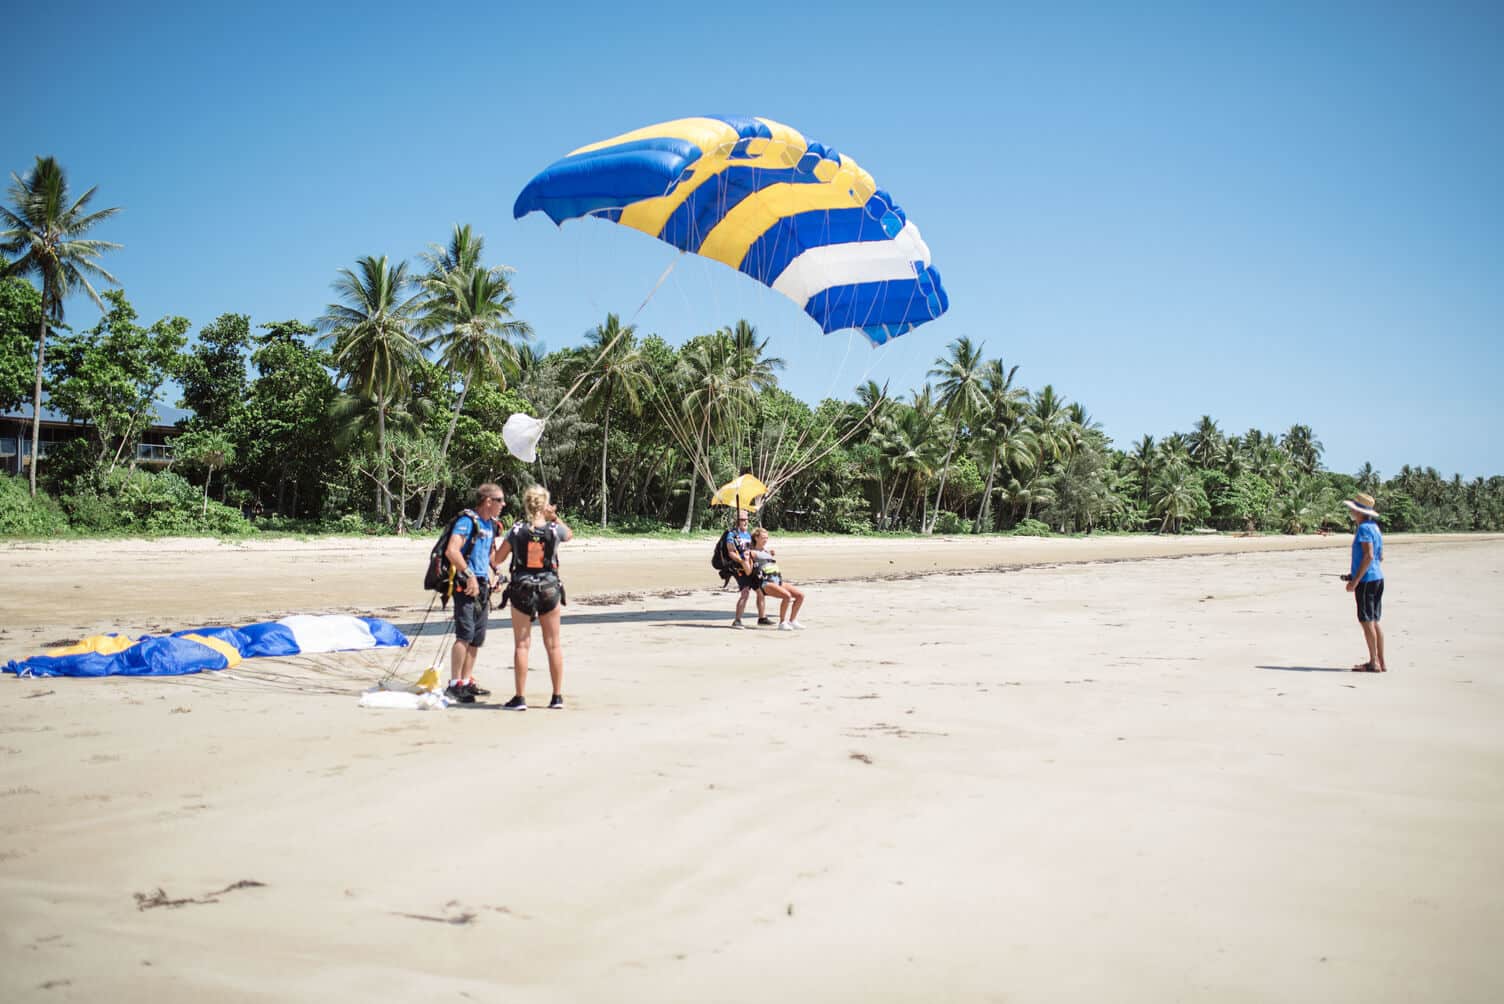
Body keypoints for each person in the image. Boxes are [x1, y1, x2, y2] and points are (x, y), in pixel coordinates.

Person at [495, 484, 573, 710]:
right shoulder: (554, 529)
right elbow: (568, 534)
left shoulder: (516, 530)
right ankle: (557, 696)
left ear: (526, 504)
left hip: (522, 587)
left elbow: (498, 559)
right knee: (554, 645)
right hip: (548, 587)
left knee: (522, 645)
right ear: (544, 505)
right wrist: (554, 517)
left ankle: (520, 697)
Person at [443, 484, 507, 704]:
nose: (503, 504)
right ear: (488, 501)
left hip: (482, 584)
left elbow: (490, 555)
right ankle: (454, 684)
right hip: (465, 583)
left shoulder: (491, 525)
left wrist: (496, 574)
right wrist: (469, 575)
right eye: (500, 500)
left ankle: (466, 681)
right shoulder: (467, 521)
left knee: (477, 637)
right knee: (465, 634)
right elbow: (452, 551)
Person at [1341, 492, 1386, 673]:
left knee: (1366, 621)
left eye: (1353, 509)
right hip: (1377, 578)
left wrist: (1355, 581)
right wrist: (1353, 574)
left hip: (1367, 581)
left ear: (1359, 512)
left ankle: (1373, 662)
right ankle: (1381, 661)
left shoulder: (1364, 529)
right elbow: (1379, 557)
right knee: (1373, 621)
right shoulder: (1375, 528)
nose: (1351, 511)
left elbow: (1369, 556)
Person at [746, 527, 805, 630]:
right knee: (787, 596)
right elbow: (748, 568)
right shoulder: (752, 552)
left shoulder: (766, 551)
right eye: (763, 538)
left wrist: (770, 554)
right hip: (766, 582)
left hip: (777, 580)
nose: (765, 540)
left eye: (767, 538)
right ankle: (782, 623)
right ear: (756, 538)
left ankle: (792, 621)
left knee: (800, 596)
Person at [722, 510, 769, 629]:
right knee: (745, 592)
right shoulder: (732, 535)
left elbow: (754, 549)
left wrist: (765, 552)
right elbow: (731, 552)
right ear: (737, 521)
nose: (746, 522)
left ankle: (762, 618)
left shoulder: (748, 535)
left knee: (760, 591)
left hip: (751, 566)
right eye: (743, 520)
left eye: (747, 519)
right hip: (740, 569)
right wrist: (741, 561)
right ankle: (737, 620)